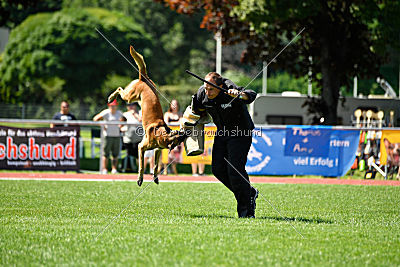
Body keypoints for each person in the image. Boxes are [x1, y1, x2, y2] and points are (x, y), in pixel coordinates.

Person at [191, 72, 258, 218]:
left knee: (235, 169)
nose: (207, 92)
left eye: (211, 90)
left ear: (220, 87)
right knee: (217, 169)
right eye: (206, 88)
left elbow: (251, 95)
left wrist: (239, 95)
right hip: (222, 132)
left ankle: (246, 212)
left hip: (241, 132)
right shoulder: (203, 93)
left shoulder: (230, 90)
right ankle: (249, 192)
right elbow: (195, 109)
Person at [93, 99, 124, 174]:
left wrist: (121, 126)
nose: (113, 107)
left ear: (116, 106)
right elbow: (95, 119)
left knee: (115, 154)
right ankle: (105, 169)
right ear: (109, 106)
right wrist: (102, 125)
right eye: (111, 106)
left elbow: (124, 120)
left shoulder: (119, 113)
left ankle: (114, 169)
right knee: (105, 153)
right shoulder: (106, 112)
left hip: (116, 135)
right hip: (107, 136)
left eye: (114, 106)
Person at [120, 103, 142, 172]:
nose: (131, 107)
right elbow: (120, 125)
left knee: (139, 155)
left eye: (132, 105)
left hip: (139, 138)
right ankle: (127, 168)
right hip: (128, 139)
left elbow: (141, 120)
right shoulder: (125, 114)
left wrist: (135, 115)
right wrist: (123, 129)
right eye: (129, 105)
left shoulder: (140, 113)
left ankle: (140, 170)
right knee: (128, 155)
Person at [164, 99, 182, 174]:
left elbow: (181, 122)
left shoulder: (180, 114)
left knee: (175, 153)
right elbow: (166, 123)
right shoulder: (167, 114)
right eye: (173, 104)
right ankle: (164, 170)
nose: (174, 106)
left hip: (177, 136)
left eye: (176, 104)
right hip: (169, 135)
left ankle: (174, 170)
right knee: (166, 153)